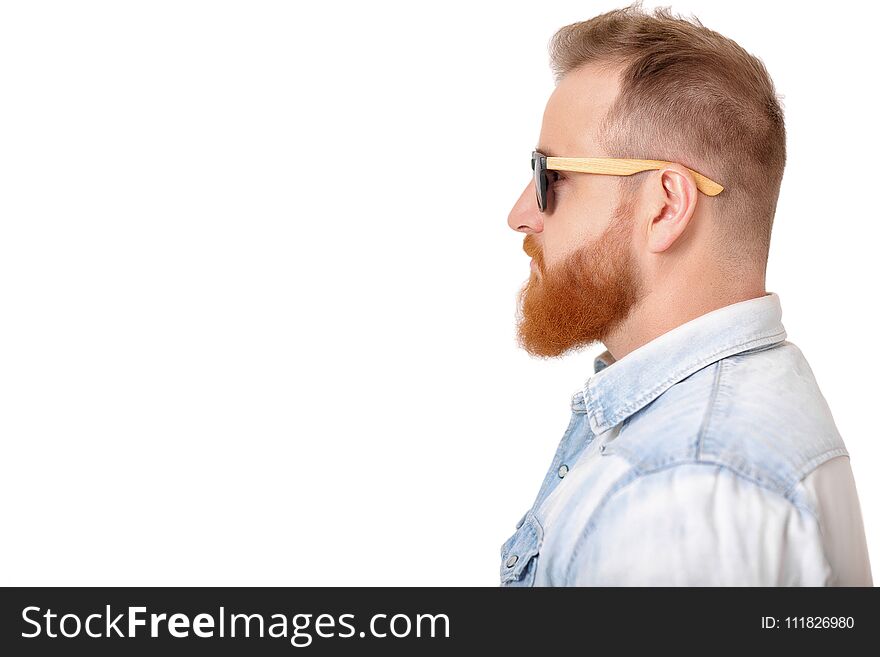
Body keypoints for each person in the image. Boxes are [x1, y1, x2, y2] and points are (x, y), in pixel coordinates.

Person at [502, 2, 872, 586]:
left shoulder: (678, 490)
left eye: (550, 176)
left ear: (667, 205)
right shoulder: (741, 404)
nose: (520, 214)